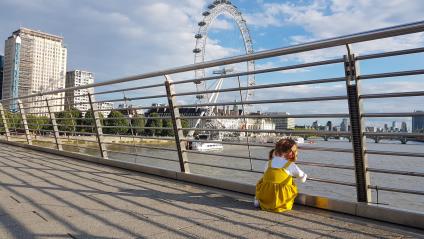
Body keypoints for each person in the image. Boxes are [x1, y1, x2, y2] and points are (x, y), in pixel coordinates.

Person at [254, 138, 307, 212]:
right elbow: (302, 177)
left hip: (267, 195)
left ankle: (259, 200)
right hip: (282, 201)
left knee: (262, 180)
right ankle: (281, 203)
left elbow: (266, 175)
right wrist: (304, 177)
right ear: (291, 153)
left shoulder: (269, 163)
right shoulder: (290, 165)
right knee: (291, 182)